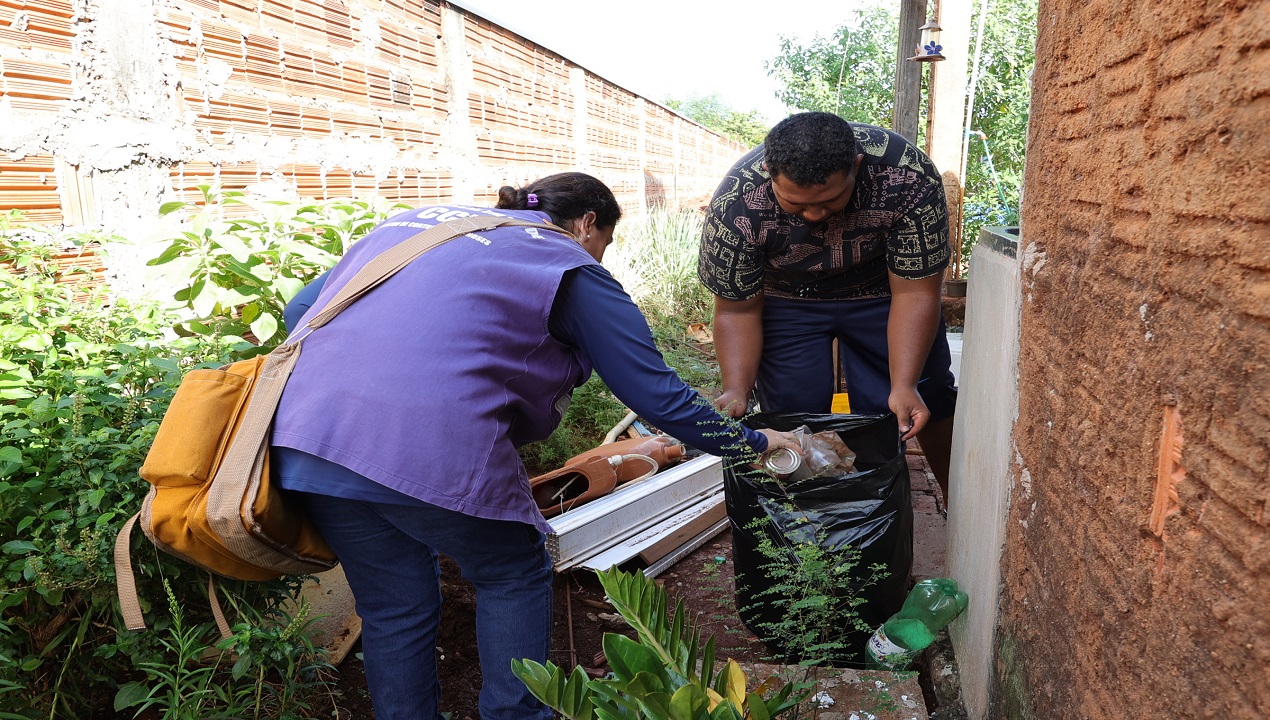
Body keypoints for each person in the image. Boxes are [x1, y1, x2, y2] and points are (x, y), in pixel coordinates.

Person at [271, 171, 800, 720]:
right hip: (423, 445)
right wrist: (753, 442)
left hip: (306, 437)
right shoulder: (566, 265)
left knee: (394, 608)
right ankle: (517, 713)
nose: (602, 259)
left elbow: (299, 312)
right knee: (513, 571)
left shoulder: (418, 226)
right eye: (606, 246)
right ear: (588, 223)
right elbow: (658, 397)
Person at [698, 111, 957, 500]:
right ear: (769, 172)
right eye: (797, 205)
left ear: (856, 165)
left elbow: (916, 293)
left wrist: (903, 384)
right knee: (791, 411)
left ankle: (951, 501)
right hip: (787, 299)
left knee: (921, 396)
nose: (815, 215)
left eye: (831, 200)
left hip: (884, 292)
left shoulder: (907, 176)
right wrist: (736, 388)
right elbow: (737, 311)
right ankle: (808, 521)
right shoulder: (737, 204)